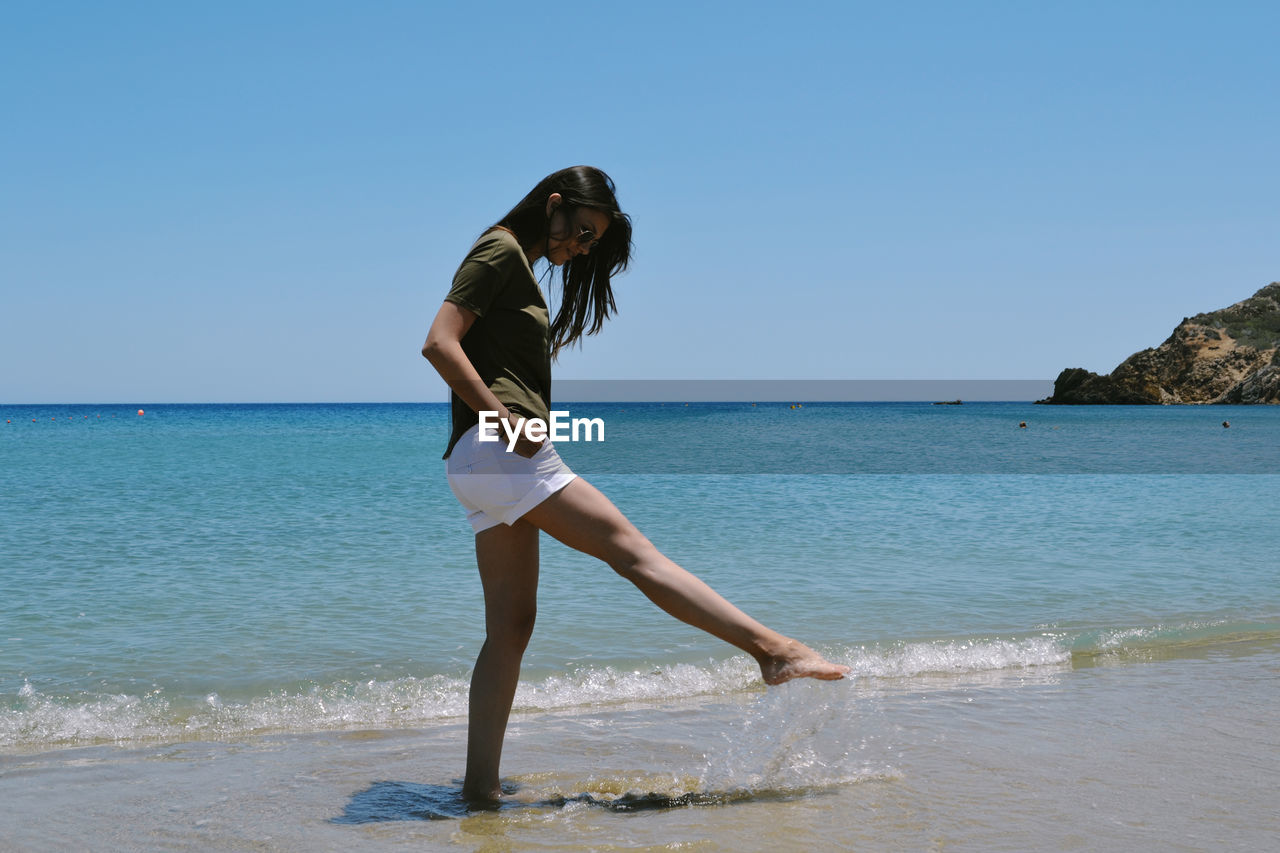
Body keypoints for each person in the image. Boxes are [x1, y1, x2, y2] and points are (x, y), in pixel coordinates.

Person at [421, 166, 849, 803]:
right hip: (500, 453)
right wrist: (502, 417)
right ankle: (772, 651)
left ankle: (478, 791)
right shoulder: (501, 249)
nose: (581, 248)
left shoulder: (519, 263)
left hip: (478, 464)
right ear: (555, 204)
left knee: (509, 630)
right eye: (582, 232)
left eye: (592, 243)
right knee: (635, 553)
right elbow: (438, 342)